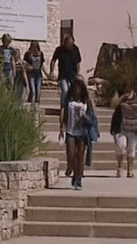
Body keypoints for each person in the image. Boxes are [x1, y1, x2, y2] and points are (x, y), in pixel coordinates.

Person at [49, 34, 82, 176]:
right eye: (68, 42)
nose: (70, 44)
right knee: (64, 92)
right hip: (63, 76)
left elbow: (79, 62)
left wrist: (78, 75)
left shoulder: (75, 49)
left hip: (72, 75)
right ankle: (64, 107)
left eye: (71, 42)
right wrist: (51, 71)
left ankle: (75, 169)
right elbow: (53, 60)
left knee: (71, 92)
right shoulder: (59, 49)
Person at [58, 77, 98, 190]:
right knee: (71, 155)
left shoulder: (86, 100)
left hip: (83, 132)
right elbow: (64, 113)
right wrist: (61, 128)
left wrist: (86, 118)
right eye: (75, 86)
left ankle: (78, 178)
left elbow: (92, 116)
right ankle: (71, 168)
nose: (77, 89)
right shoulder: (68, 99)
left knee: (80, 156)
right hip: (70, 130)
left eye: (79, 86)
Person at [110, 78, 137, 178]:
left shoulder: (136, 95)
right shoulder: (118, 93)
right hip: (119, 126)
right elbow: (113, 104)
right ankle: (119, 168)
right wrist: (122, 97)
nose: (127, 89)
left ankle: (130, 171)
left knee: (131, 149)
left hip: (133, 127)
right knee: (121, 146)